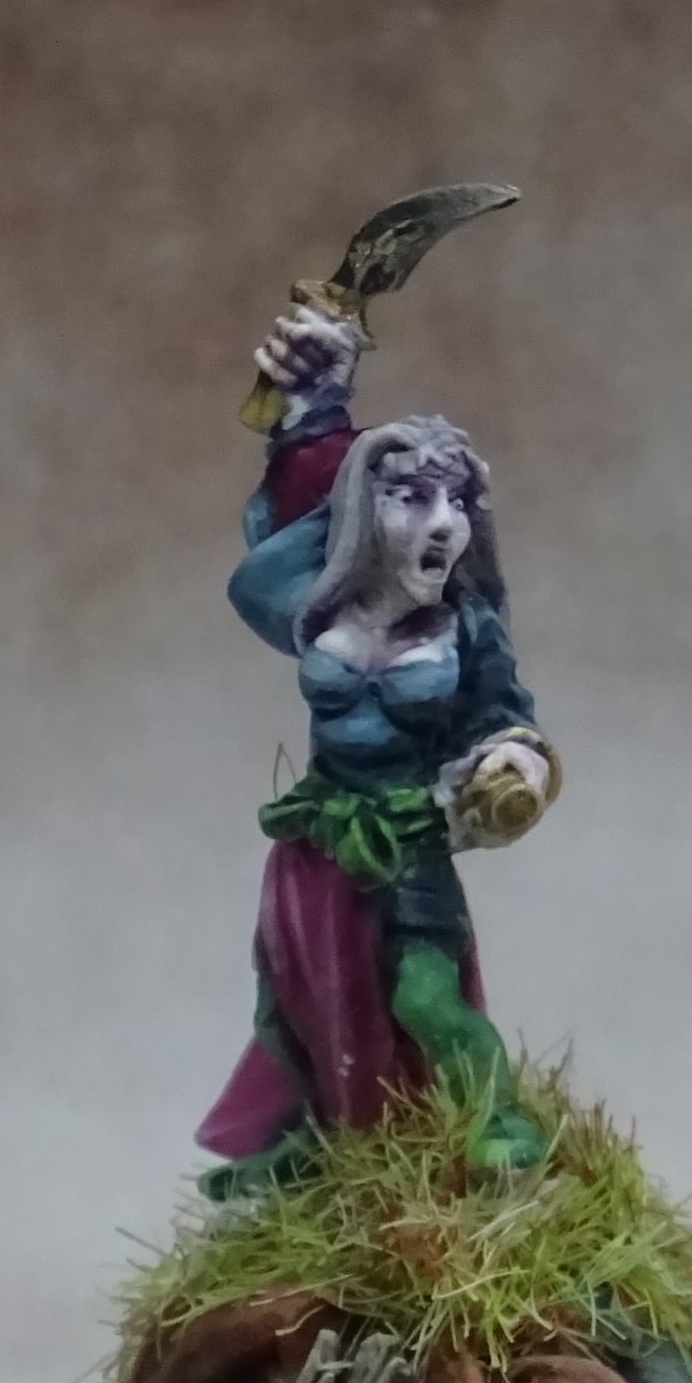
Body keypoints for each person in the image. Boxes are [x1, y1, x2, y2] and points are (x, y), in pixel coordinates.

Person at [191, 302, 562, 1197]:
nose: (443, 521)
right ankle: (322, 1149)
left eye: (458, 500)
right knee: (306, 1008)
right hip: (317, 849)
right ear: (367, 509)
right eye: (413, 496)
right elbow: (309, 481)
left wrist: (515, 764)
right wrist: (319, 389)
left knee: (425, 998)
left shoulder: (463, 629)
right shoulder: (324, 601)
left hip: (408, 844)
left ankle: (499, 1122)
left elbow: (506, 714)